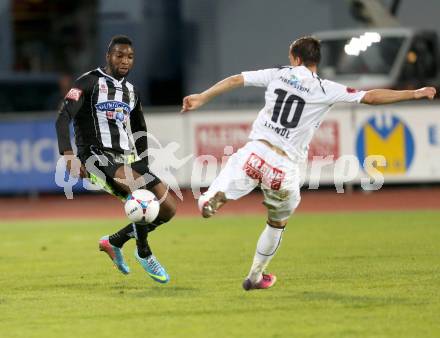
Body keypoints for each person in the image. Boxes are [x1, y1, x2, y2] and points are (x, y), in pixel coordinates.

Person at [181, 36, 436, 291]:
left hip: (257, 151)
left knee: (235, 167)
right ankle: (256, 276)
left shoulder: (279, 74)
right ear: (316, 62)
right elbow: (369, 96)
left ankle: (211, 197)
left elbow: (237, 79)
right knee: (276, 223)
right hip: (284, 167)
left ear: (295, 58)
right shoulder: (325, 88)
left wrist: (203, 97)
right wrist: (414, 93)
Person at [55, 35, 176, 284]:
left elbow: (139, 128)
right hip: (95, 157)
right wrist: (68, 155)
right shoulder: (88, 83)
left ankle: (115, 241)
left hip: (126, 158)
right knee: (138, 190)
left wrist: (143, 163)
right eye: (119, 55)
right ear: (108, 56)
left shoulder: (132, 91)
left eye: (130, 56)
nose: (124, 60)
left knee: (169, 208)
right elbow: (63, 117)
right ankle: (144, 252)